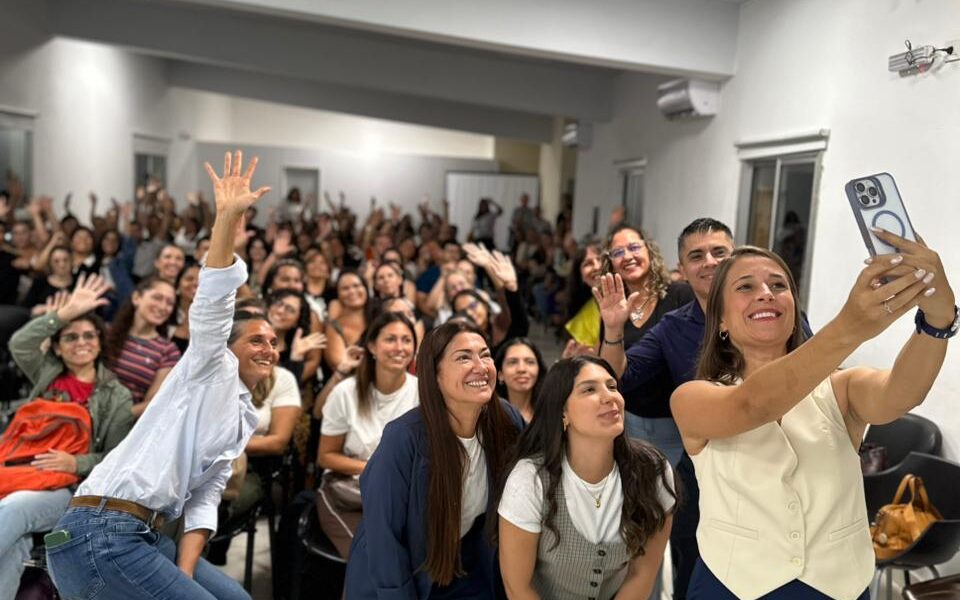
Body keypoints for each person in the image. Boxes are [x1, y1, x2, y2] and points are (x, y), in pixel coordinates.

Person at [671, 237, 956, 600]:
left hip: (836, 586)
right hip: (732, 586)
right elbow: (752, 405)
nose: (766, 294)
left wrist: (937, 320)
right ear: (721, 320)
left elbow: (901, 393)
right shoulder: (693, 398)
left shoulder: (841, 387)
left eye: (778, 285)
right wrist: (850, 326)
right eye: (745, 287)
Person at [45, 149, 273, 600]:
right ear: (228, 348)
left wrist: (184, 577)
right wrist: (226, 220)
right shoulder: (209, 366)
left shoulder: (243, 415)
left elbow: (204, 500)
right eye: (256, 340)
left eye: (274, 341)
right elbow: (213, 302)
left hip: (145, 537)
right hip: (100, 530)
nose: (269, 348)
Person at [344, 320, 523, 599]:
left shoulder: (505, 420)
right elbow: (384, 537)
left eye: (485, 355)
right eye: (463, 357)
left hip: (464, 566)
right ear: (435, 375)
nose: (481, 366)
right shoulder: (403, 438)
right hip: (395, 577)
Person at [498, 356, 675, 600]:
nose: (609, 397)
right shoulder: (529, 480)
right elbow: (518, 587)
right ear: (563, 412)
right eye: (589, 389)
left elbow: (642, 574)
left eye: (612, 386)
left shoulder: (652, 470)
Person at [2, 276, 133, 600]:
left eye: (89, 335)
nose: (81, 342)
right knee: (16, 543)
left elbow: (117, 458)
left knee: (14, 509)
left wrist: (76, 462)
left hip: (69, 489)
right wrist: (65, 313)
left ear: (100, 343)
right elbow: (20, 343)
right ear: (58, 348)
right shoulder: (47, 373)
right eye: (70, 337)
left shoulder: (116, 395)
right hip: (19, 471)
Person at [317, 312, 420, 557]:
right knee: (371, 558)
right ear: (372, 346)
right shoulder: (345, 392)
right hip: (349, 495)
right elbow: (326, 456)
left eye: (406, 340)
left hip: (402, 496)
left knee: (411, 556)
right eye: (390, 339)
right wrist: (377, 469)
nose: (400, 347)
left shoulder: (423, 392)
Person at [104, 277, 180, 416]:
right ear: (137, 298)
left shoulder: (168, 351)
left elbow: (153, 403)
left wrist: (115, 419)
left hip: (127, 423)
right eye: (157, 298)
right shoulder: (106, 334)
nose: (163, 307)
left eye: (170, 303)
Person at [493, 337, 546, 423]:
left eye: (530, 362)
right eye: (513, 362)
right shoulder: (489, 416)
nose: (521, 369)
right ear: (500, 374)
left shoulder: (551, 413)